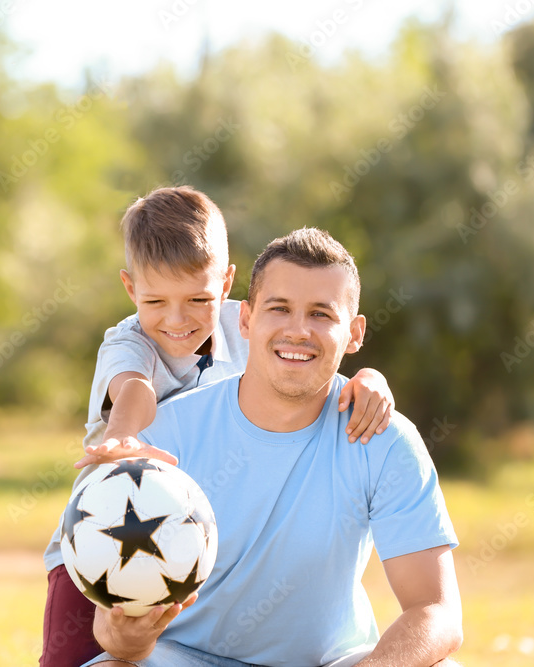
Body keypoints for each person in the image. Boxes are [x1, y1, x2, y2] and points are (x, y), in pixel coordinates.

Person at [39, 188, 398, 667]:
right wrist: (122, 436)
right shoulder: (128, 343)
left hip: (194, 534)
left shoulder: (251, 325)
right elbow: (135, 392)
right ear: (130, 289)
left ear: (228, 284)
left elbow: (307, 364)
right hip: (102, 533)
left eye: (198, 298)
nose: (177, 319)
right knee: (78, 658)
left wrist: (367, 378)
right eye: (155, 301)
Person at [83, 227, 464, 667]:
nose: (298, 330)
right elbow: (113, 635)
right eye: (279, 308)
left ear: (355, 333)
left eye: (321, 314)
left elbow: (435, 612)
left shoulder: (383, 437)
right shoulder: (164, 436)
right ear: (245, 320)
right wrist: (128, 638)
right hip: (180, 657)